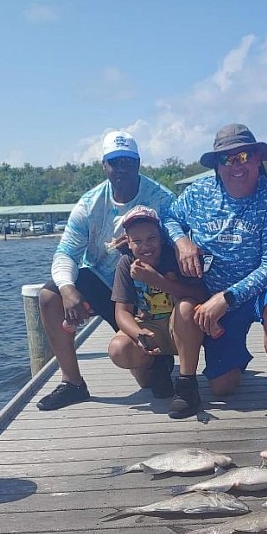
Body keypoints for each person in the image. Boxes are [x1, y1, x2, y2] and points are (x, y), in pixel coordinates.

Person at [163, 123, 267, 421]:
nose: (235, 165)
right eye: (226, 159)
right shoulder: (197, 193)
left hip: (259, 291)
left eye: (243, 157)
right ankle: (195, 382)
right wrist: (182, 240)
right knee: (222, 387)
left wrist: (226, 298)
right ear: (216, 165)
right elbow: (169, 217)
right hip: (212, 292)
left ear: (257, 160)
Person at [36, 130, 174, 411]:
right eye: (114, 162)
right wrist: (67, 288)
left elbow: (177, 244)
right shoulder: (89, 205)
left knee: (148, 381)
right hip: (103, 285)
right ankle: (72, 383)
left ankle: (158, 363)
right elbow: (65, 253)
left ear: (138, 163)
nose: (121, 168)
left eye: (127, 161)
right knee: (48, 296)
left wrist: (141, 251)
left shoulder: (163, 199)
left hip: (149, 290)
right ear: (104, 166)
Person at [108, 206, 206, 399]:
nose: (145, 246)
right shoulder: (126, 263)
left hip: (181, 327)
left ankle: (187, 384)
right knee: (119, 350)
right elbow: (122, 312)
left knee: (186, 307)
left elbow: (201, 294)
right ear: (128, 242)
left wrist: (157, 281)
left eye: (151, 238)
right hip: (150, 326)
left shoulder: (176, 257)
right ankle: (156, 365)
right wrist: (138, 334)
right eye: (137, 241)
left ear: (161, 237)